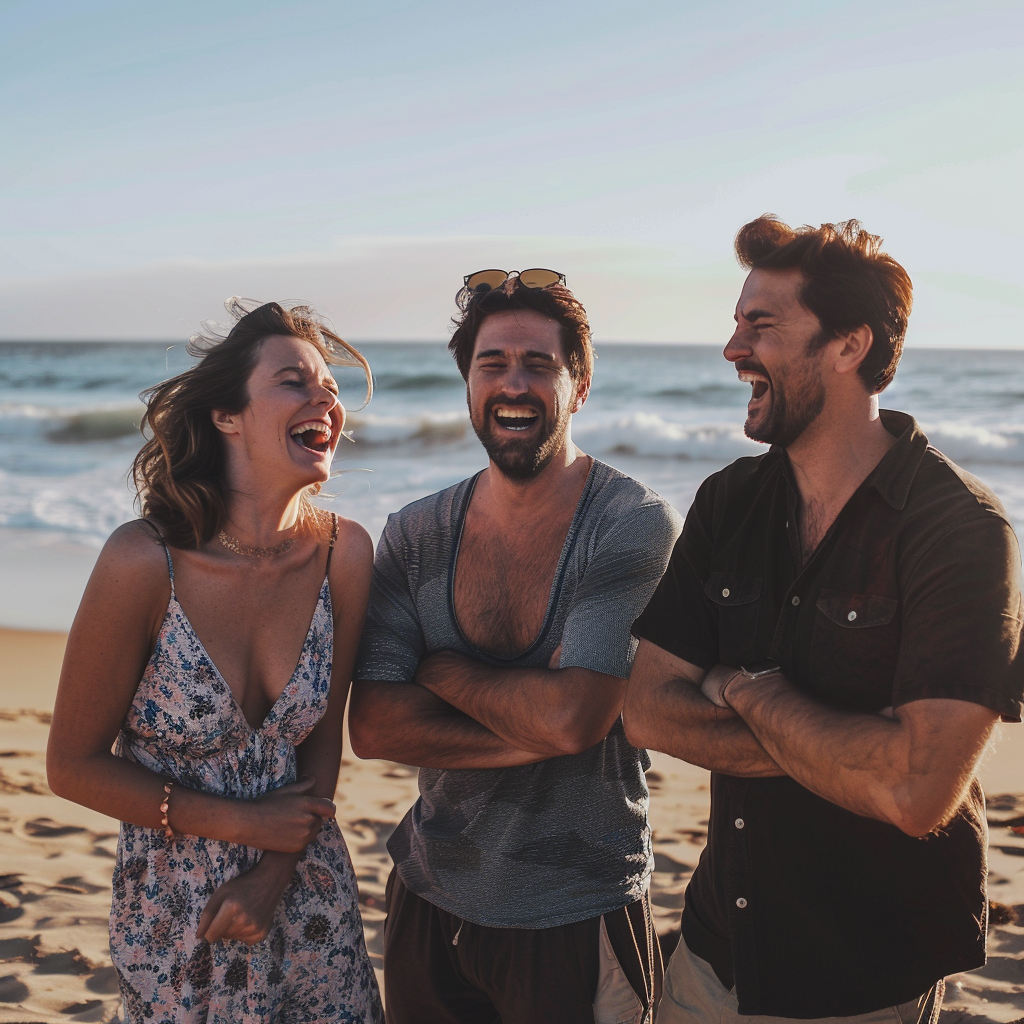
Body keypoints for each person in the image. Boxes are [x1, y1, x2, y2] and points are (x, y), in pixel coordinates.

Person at [624, 216, 1024, 1024]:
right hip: (711, 957)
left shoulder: (962, 532)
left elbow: (918, 794)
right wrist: (853, 753)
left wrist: (742, 688)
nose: (732, 349)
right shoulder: (728, 501)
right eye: (737, 322)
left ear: (849, 346)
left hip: (866, 972)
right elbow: (643, 710)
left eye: (760, 325)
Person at [349, 269, 682, 1024]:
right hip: (429, 900)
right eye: (492, 364)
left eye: (539, 364)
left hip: (575, 908)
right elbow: (373, 727)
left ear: (580, 384)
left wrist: (442, 670)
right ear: (467, 383)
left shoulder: (629, 524)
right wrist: (543, 726)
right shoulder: (415, 531)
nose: (514, 384)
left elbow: (572, 719)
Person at [47, 300, 383, 1023]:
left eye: (330, 387)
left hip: (307, 894)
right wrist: (242, 823)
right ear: (227, 417)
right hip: (177, 913)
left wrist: (274, 871)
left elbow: (323, 740)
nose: (325, 399)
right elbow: (71, 765)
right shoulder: (143, 562)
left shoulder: (343, 555)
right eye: (295, 381)